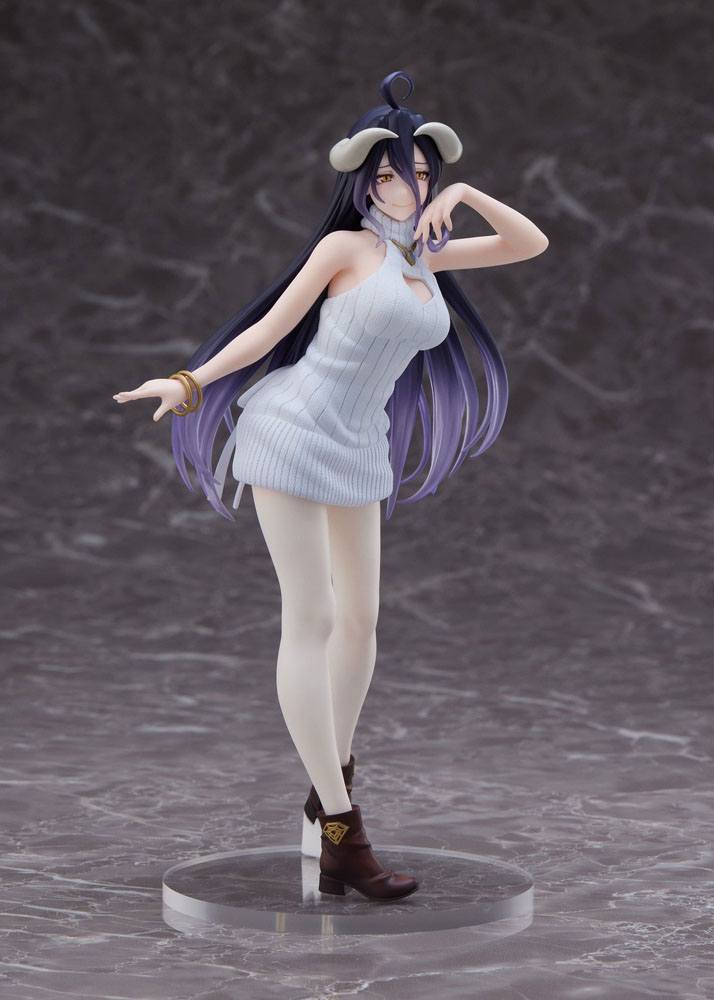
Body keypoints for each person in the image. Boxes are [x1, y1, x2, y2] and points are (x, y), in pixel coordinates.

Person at [112, 70, 548, 901]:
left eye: (419, 172)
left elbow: (529, 243)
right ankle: (344, 830)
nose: (406, 185)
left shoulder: (426, 254)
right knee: (310, 617)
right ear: (364, 183)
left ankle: (326, 792)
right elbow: (268, 330)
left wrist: (463, 193)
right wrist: (189, 381)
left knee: (362, 622)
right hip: (291, 429)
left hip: (358, 444)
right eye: (390, 173)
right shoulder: (344, 250)